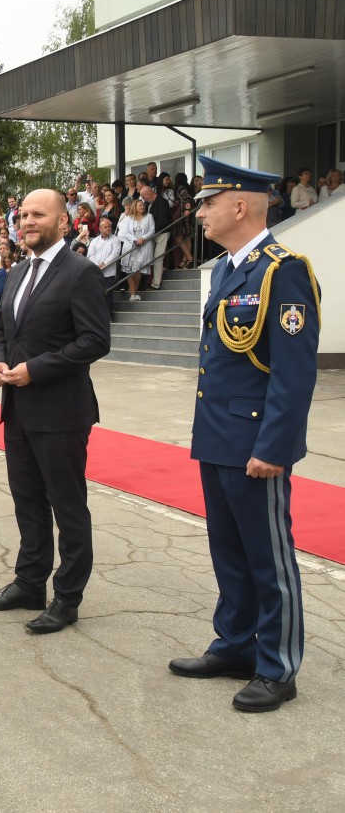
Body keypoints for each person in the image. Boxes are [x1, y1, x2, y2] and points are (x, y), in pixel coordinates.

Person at [169, 156, 322, 713]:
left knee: (268, 558)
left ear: (240, 206)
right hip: (218, 435)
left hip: (256, 441)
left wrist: (275, 447)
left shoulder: (283, 271)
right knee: (229, 552)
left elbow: (294, 372)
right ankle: (235, 645)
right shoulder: (227, 269)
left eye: (208, 203)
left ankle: (278, 667)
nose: (199, 212)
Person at [0, 189, 110, 634]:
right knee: (28, 502)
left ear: (63, 222)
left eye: (39, 214)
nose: (28, 221)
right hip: (17, 409)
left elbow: (95, 341)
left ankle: (67, 597)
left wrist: (35, 369)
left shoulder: (81, 272)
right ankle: (29, 583)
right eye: (24, 215)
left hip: (61, 412)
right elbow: (3, 329)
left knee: (67, 508)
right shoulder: (16, 271)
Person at [86, 216, 123, 320]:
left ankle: (109, 315)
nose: (108, 229)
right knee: (97, 294)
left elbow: (115, 254)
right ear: (100, 229)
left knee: (108, 293)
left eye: (109, 227)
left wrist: (104, 263)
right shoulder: (94, 241)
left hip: (109, 272)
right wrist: (97, 265)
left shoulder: (116, 240)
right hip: (96, 271)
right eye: (105, 227)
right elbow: (90, 255)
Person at [118, 197, 155, 301]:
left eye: (143, 205)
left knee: (138, 269)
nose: (142, 207)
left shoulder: (149, 216)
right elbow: (126, 233)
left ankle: (133, 290)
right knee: (129, 270)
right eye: (140, 205)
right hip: (131, 245)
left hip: (143, 245)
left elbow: (152, 230)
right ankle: (133, 294)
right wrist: (135, 240)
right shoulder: (128, 218)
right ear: (135, 207)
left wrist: (143, 238)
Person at [140, 185, 172, 289]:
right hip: (152, 233)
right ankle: (147, 281)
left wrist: (150, 230)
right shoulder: (147, 203)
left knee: (158, 257)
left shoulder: (162, 202)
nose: (143, 199)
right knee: (147, 257)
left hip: (162, 233)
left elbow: (164, 220)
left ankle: (156, 283)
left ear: (148, 194)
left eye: (143, 197)